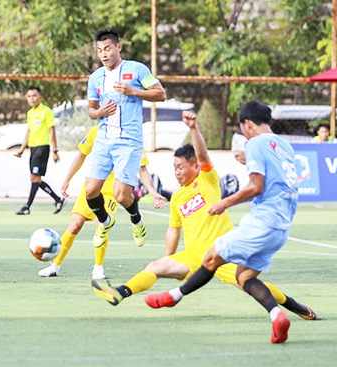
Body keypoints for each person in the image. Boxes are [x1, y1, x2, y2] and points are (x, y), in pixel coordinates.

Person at [92, 111, 316, 323]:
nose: (177, 171)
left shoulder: (208, 180)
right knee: (155, 266)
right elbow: (173, 229)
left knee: (250, 284)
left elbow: (203, 154)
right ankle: (120, 293)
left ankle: (295, 306)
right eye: (174, 167)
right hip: (193, 256)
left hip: (222, 253)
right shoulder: (178, 197)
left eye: (181, 167)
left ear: (196, 167)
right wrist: (168, 257)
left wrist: (194, 127)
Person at [143, 101, 302, 344]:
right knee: (245, 278)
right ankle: (277, 315)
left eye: (243, 130)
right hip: (281, 227)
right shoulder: (284, 145)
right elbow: (274, 174)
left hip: (262, 222)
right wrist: (248, 160)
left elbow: (256, 187)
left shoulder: (256, 142)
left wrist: (224, 203)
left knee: (210, 259)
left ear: (248, 124)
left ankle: (173, 296)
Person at [38, 125, 166, 280]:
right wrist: (67, 179)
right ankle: (55, 266)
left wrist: (153, 192)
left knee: (101, 223)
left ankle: (98, 268)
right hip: (91, 187)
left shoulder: (132, 135)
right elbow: (81, 155)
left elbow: (142, 168)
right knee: (75, 224)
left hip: (113, 191)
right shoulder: (97, 130)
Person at [85, 28, 167, 249]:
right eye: (100, 50)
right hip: (103, 140)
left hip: (129, 141)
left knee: (121, 196)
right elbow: (92, 111)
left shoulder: (137, 69)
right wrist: (99, 112)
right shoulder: (95, 78)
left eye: (108, 48)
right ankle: (104, 221)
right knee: (90, 191)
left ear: (118, 47)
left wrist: (134, 92)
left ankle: (136, 220)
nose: (103, 54)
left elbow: (161, 94)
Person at [14, 86, 65, 215]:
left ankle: (27, 206)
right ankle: (58, 199)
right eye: (29, 96)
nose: (32, 98)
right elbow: (29, 131)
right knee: (36, 178)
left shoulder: (46, 111)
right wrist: (22, 148)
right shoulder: (30, 113)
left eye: (34, 95)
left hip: (42, 149)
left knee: (35, 178)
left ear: (40, 97)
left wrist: (55, 150)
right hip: (33, 148)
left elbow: (51, 130)